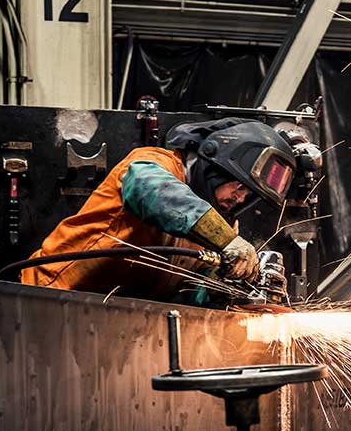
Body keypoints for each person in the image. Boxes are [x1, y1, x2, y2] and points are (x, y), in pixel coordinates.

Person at [21, 118, 300, 299]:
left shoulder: (223, 231)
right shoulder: (153, 163)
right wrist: (226, 241)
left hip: (106, 318)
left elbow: (193, 293)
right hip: (46, 299)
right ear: (217, 165)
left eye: (247, 195)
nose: (239, 199)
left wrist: (235, 292)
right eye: (237, 187)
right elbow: (154, 191)